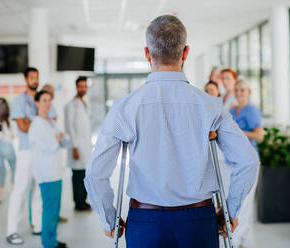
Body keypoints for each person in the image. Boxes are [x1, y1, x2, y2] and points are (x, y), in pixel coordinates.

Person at [84, 15, 259, 248]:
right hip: (199, 219)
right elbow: (247, 161)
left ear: (147, 54)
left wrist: (109, 220)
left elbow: (95, 174)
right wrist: (231, 210)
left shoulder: (125, 108)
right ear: (185, 53)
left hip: (145, 221)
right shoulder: (210, 105)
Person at [6, 67, 57, 245]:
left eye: (37, 77)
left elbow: (53, 123)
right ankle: (11, 231)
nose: (35, 80)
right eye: (32, 77)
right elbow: (23, 127)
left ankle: (37, 225)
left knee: (38, 191)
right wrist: (40, 120)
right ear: (26, 79)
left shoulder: (43, 100)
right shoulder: (20, 101)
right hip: (26, 152)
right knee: (21, 189)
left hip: (41, 153)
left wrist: (35, 120)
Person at [29, 90, 69, 248]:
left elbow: (64, 141)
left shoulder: (51, 122)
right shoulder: (37, 124)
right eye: (43, 100)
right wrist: (58, 139)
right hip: (46, 173)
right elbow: (51, 145)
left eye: (49, 100)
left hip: (55, 171)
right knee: (49, 209)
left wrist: (59, 139)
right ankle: (48, 242)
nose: (47, 103)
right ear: (37, 103)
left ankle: (52, 239)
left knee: (55, 209)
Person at [229, 80, 264, 248]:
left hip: (249, 163)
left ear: (248, 92)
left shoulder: (252, 111)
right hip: (234, 162)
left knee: (244, 203)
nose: (239, 92)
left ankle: (235, 241)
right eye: (236, 90)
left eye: (242, 90)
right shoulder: (231, 110)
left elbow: (260, 136)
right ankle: (246, 241)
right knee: (240, 203)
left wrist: (239, 133)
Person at [65, 76, 92, 211]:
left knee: (85, 174)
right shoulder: (71, 105)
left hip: (86, 146)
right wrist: (74, 146)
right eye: (80, 86)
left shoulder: (84, 103)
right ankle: (78, 203)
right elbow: (69, 127)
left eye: (85, 86)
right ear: (76, 87)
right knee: (77, 175)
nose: (83, 89)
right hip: (77, 146)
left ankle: (83, 200)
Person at [0, 98, 16, 204]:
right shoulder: (8, 118)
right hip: (7, 145)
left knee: (2, 171)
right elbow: (13, 134)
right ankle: (14, 192)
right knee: (14, 168)